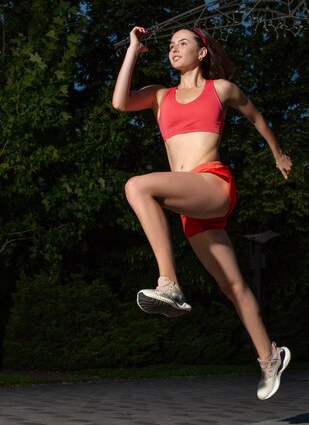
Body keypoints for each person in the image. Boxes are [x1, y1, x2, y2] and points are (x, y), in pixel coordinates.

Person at [112, 25, 292, 400]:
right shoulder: (160, 96)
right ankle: (269, 357)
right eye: (171, 46)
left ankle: (169, 284)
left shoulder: (219, 89)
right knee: (233, 286)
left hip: (212, 184)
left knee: (137, 186)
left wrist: (277, 153)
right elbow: (119, 102)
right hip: (191, 207)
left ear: (203, 52)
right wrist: (132, 49)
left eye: (183, 44)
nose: (174, 50)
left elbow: (256, 116)